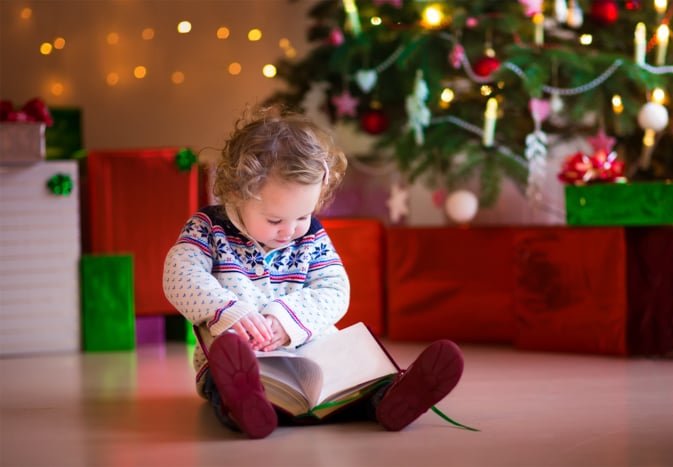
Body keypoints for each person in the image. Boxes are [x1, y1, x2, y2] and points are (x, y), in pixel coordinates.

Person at [162, 105, 464, 439]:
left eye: (303, 215)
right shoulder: (209, 228)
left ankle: (391, 399)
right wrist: (230, 311)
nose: (290, 231)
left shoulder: (312, 236)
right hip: (240, 352)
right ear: (235, 192)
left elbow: (334, 290)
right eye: (275, 220)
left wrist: (285, 321)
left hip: (312, 349)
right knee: (226, 377)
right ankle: (245, 405)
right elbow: (180, 274)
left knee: (355, 375)